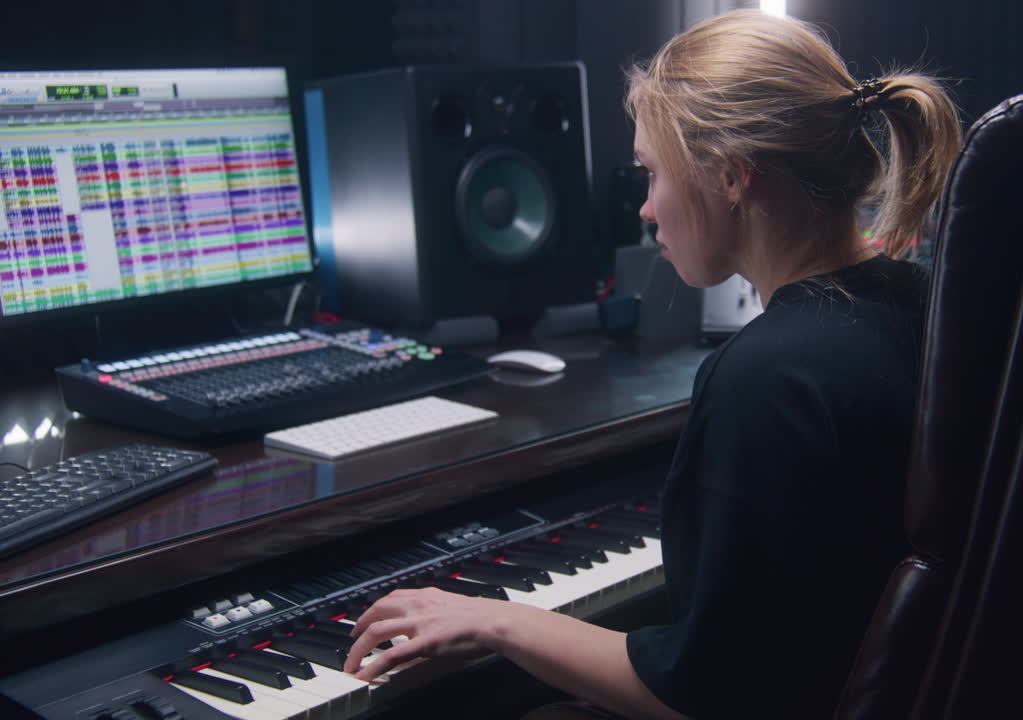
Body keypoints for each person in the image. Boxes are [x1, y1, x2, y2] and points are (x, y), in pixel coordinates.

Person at [343, 8, 962, 719]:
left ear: (731, 176)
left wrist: (494, 619)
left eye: (652, 173)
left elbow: (700, 699)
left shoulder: (769, 379)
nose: (644, 208)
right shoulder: (925, 304)